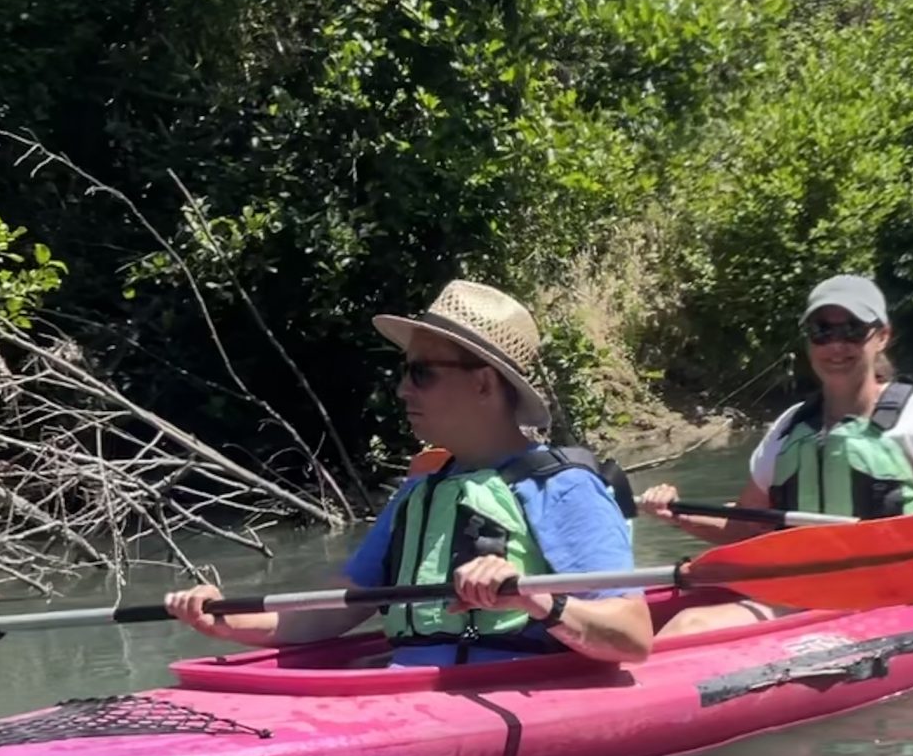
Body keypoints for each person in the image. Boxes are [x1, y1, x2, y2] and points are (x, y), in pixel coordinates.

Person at [165, 280, 652, 666]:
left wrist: (536, 601)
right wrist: (228, 619)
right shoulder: (422, 487)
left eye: (422, 373)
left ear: (483, 382)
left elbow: (632, 637)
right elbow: (339, 607)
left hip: (506, 689)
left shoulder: (563, 488)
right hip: (409, 693)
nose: (402, 389)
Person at [638, 274, 913, 637]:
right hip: (805, 594)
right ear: (809, 342)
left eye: (852, 330)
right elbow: (746, 528)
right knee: (686, 623)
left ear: (882, 336)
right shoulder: (789, 427)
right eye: (822, 331)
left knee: (692, 626)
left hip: (894, 597)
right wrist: (679, 514)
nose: (836, 345)